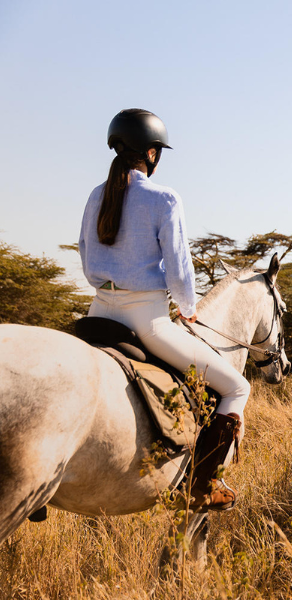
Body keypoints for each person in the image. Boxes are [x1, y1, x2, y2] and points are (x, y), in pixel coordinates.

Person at [79, 108, 250, 512]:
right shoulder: (164, 198)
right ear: (152, 154)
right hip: (147, 319)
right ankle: (203, 484)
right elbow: (179, 267)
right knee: (237, 387)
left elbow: (87, 258)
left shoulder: (95, 195)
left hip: (97, 313)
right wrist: (188, 308)